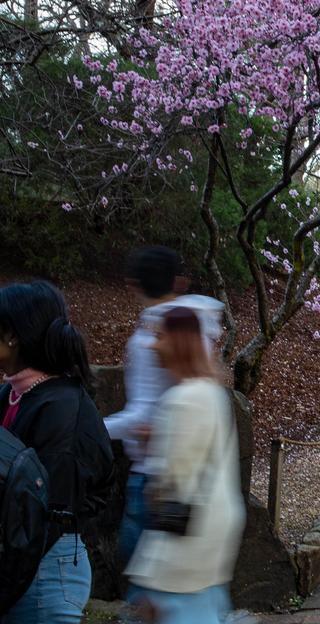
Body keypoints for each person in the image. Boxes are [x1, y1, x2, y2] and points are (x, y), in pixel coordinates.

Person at [0, 281, 114, 624]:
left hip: (44, 571)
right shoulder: (12, 394)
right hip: (19, 561)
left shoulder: (62, 406)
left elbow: (44, 506)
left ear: (13, 336)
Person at [107, 246, 225, 569]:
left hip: (156, 476)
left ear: (133, 284)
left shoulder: (159, 332)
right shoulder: (194, 324)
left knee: (146, 570)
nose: (154, 343)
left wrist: (95, 428)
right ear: (178, 281)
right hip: (187, 477)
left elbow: (144, 413)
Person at [124, 307, 243, 624]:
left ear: (177, 341)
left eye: (160, 336)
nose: (153, 344)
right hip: (213, 535)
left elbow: (172, 486)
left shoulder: (182, 400)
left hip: (184, 548)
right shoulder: (213, 393)